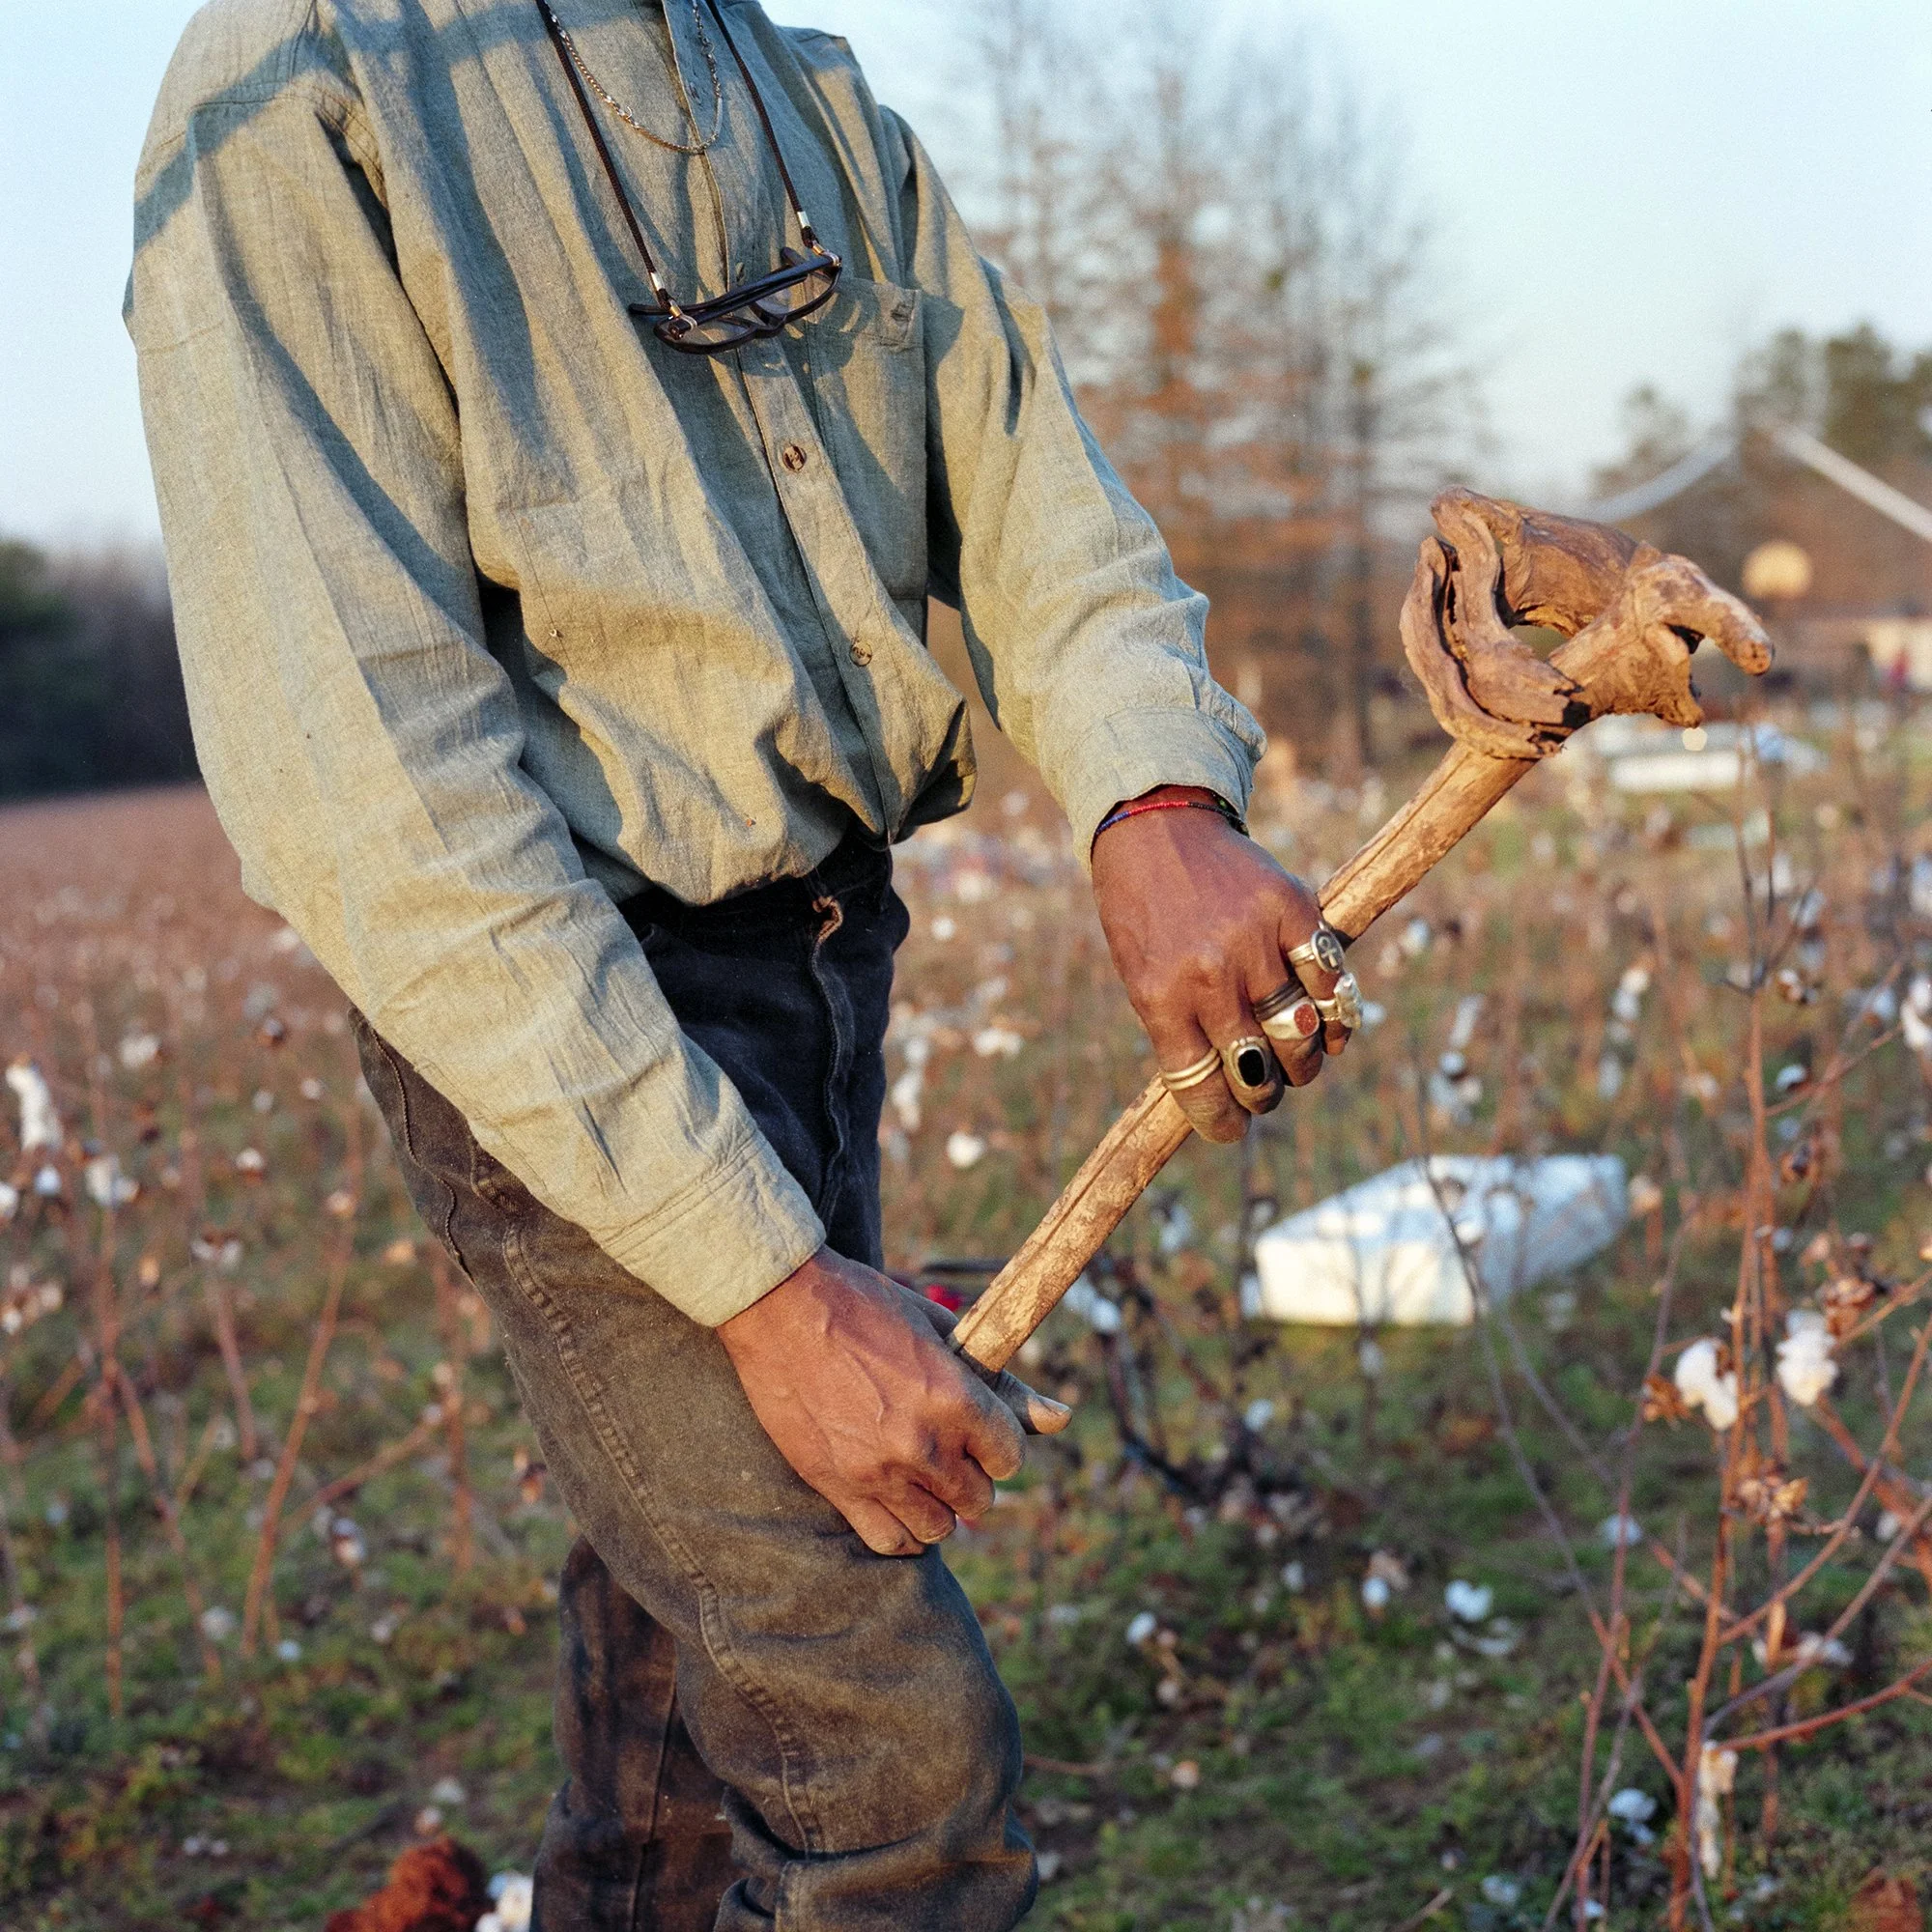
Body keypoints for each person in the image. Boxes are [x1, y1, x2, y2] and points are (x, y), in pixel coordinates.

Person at [128, 2, 1351, 1924]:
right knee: (891, 1771)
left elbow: (1026, 481)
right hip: (562, 1017)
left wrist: (1153, 805)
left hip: (822, 956)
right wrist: (775, 1291)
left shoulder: (801, 91)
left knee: (679, 1671)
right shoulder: (301, 96)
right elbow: (372, 786)